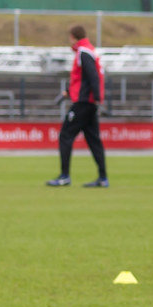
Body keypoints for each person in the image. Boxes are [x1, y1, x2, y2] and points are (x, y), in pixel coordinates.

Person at [46, 25, 108, 187]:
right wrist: (68, 91)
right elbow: (84, 78)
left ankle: (64, 176)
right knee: (94, 140)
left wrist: (97, 98)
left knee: (65, 135)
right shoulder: (90, 50)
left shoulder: (83, 52)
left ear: (73, 37)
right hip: (88, 102)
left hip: (83, 103)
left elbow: (92, 76)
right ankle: (103, 178)